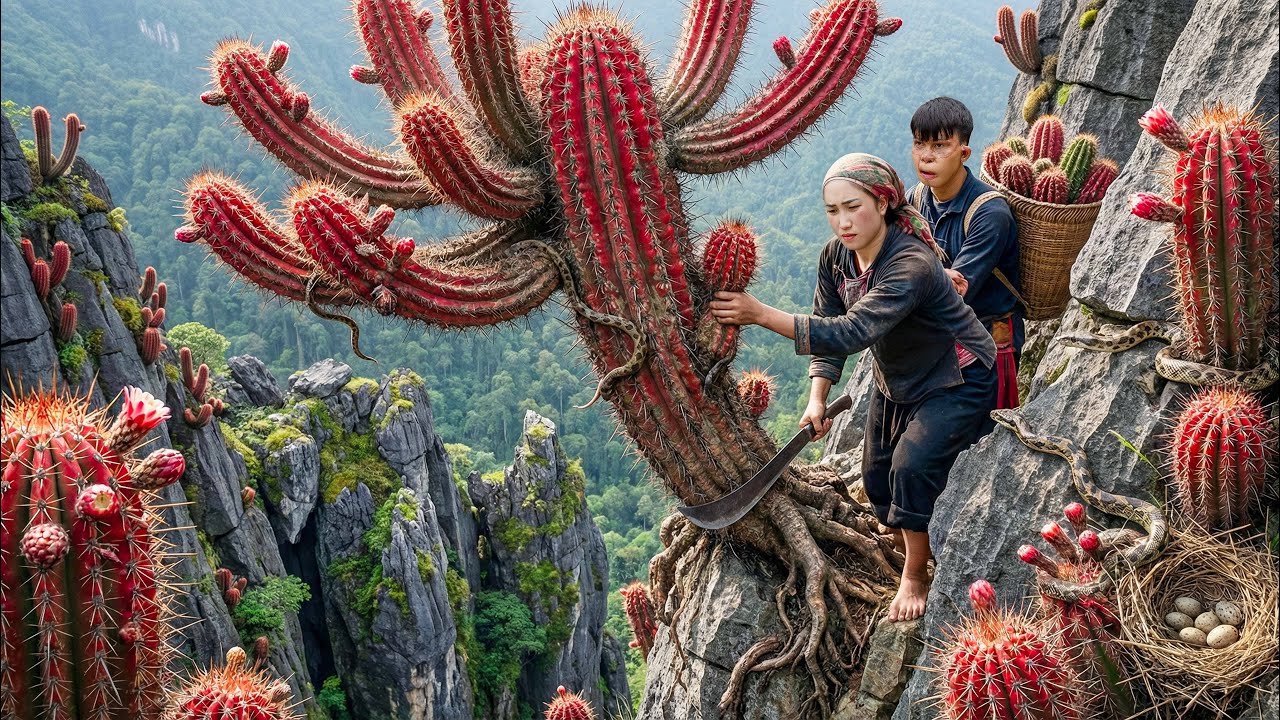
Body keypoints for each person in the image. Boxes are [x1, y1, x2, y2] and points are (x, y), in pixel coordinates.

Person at [709, 153, 998, 622]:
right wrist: (817, 398)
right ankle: (905, 536)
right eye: (832, 211)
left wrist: (760, 314)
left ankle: (915, 573)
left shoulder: (911, 264)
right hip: (900, 376)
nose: (842, 222)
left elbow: (848, 332)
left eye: (853, 207)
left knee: (910, 467)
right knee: (876, 479)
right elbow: (827, 323)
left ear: (883, 203)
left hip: (958, 373)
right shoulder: (837, 257)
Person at [908, 97, 1022, 409]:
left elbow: (953, 292)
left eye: (940, 146)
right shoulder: (915, 200)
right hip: (941, 343)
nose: (926, 157)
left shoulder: (989, 213)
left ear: (964, 153)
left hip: (989, 347)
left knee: (984, 444)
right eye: (919, 144)